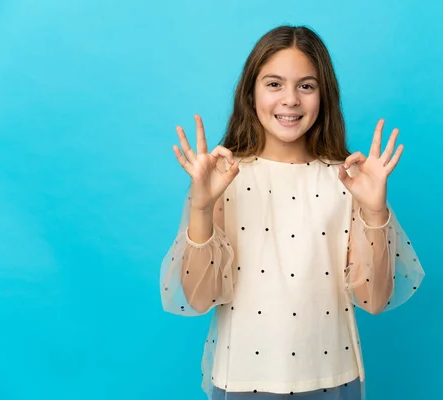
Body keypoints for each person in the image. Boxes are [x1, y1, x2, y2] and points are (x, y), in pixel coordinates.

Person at [160, 25, 425, 400]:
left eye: (306, 85)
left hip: (334, 377)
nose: (290, 100)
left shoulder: (349, 180)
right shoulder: (222, 179)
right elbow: (198, 298)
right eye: (273, 84)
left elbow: (374, 299)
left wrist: (374, 210)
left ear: (324, 96)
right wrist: (202, 206)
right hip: (243, 379)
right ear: (250, 94)